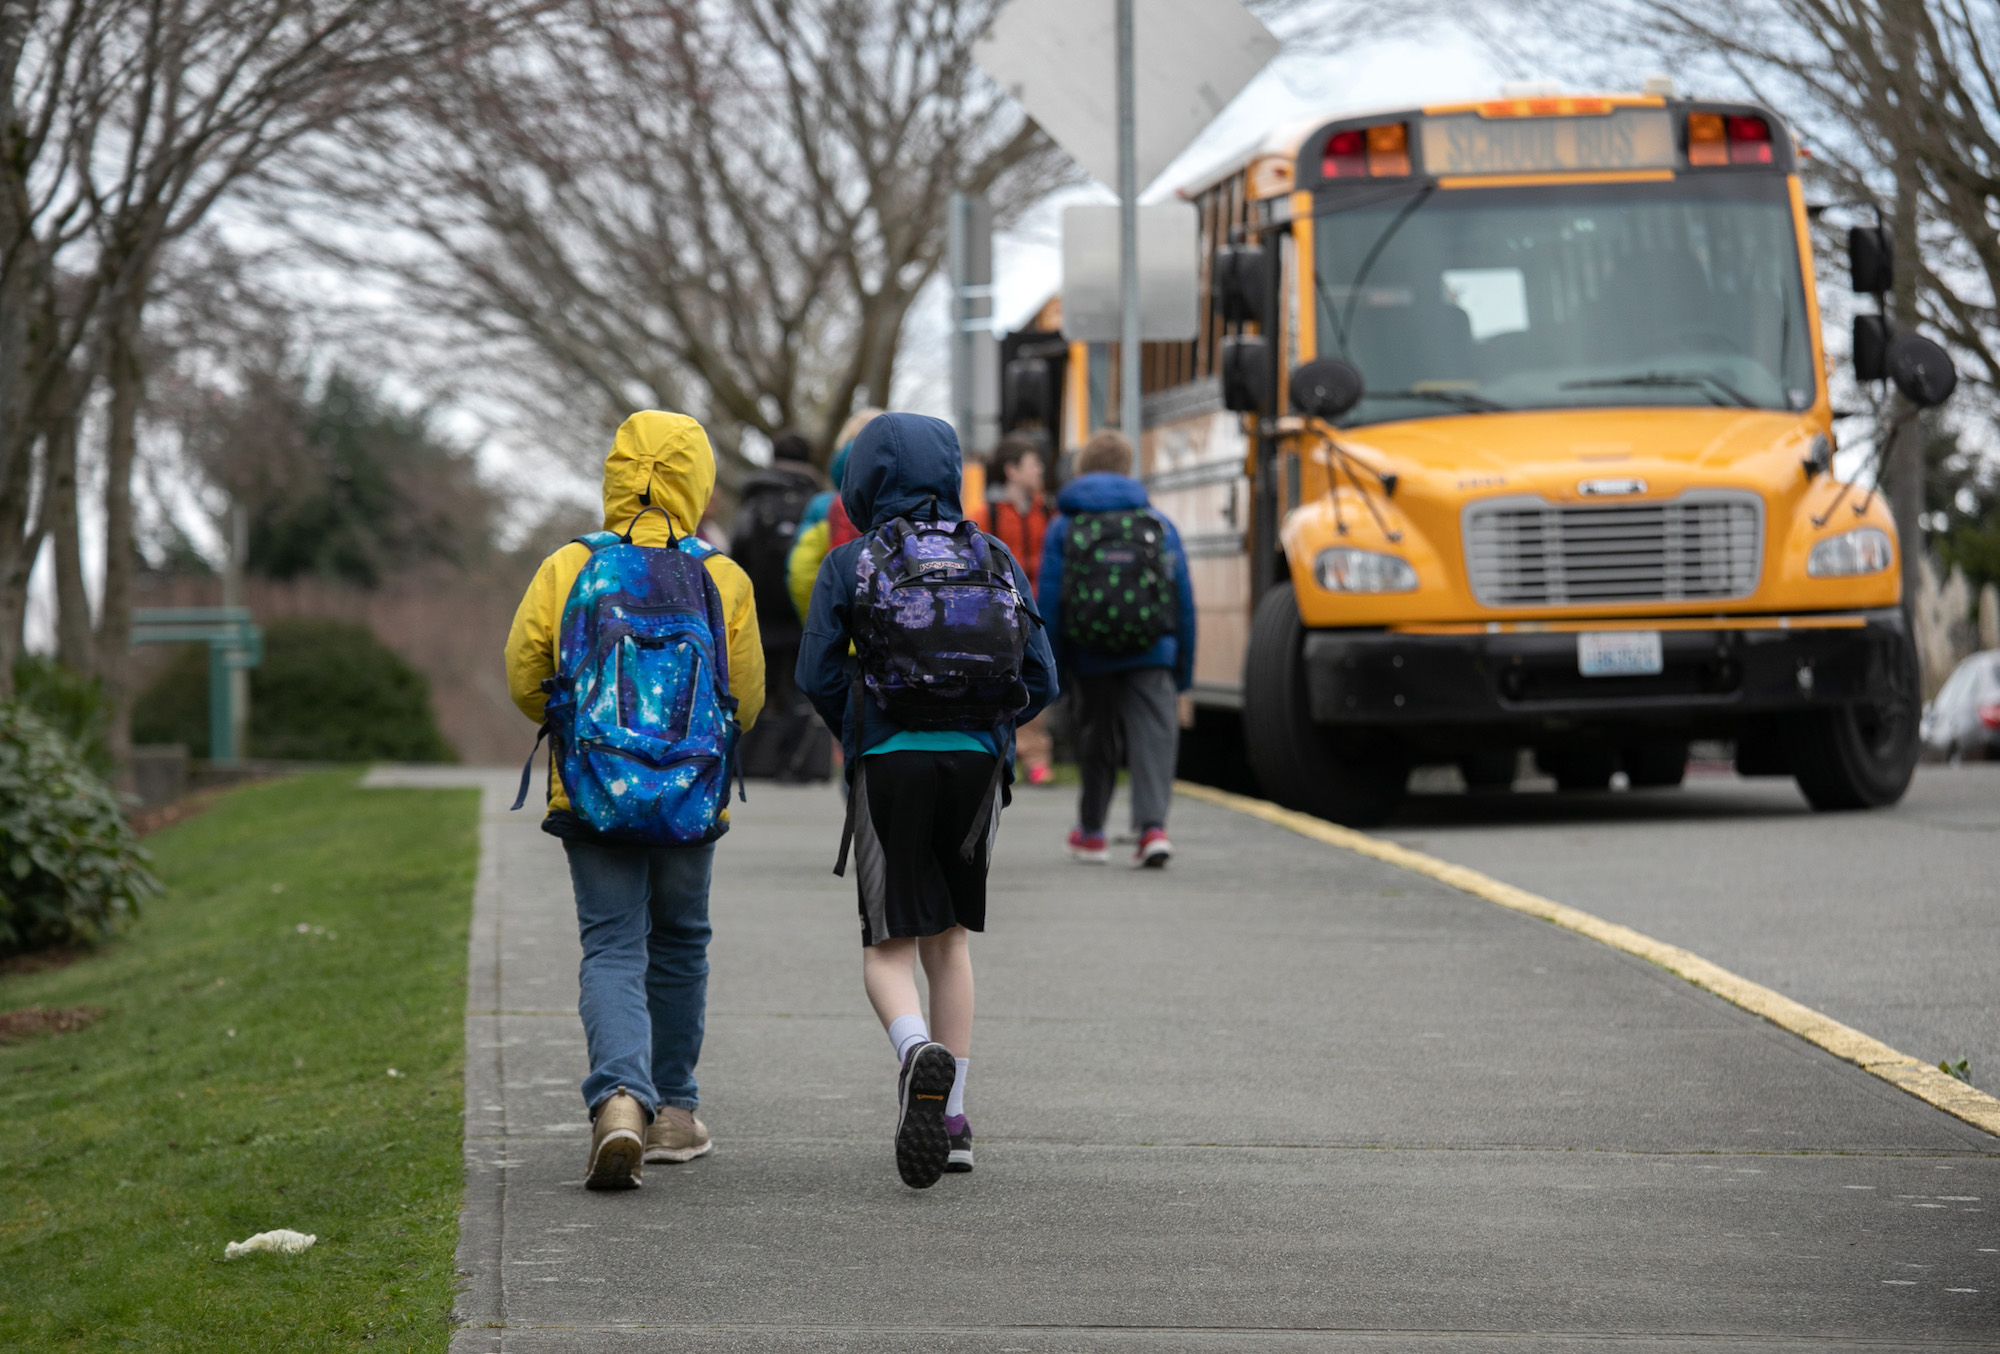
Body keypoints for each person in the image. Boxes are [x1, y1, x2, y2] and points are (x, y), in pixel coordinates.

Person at [505, 410, 765, 1190]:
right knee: (681, 941)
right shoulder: (722, 578)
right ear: (699, 480)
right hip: (690, 799)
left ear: (615, 475)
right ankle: (676, 1112)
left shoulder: (568, 567)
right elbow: (744, 699)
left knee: (613, 944)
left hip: (594, 794)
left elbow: (525, 676)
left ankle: (619, 1100)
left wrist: (582, 731)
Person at [798, 412, 1057, 1189]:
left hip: (888, 760)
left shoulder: (852, 561)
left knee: (887, 949)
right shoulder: (996, 554)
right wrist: (984, 722)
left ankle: (917, 1055)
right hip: (975, 766)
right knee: (950, 941)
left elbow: (816, 675)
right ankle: (954, 1119)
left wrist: (869, 715)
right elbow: (1042, 676)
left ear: (864, 477)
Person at [1038, 429, 1195, 868]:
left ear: (1082, 469)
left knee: (1096, 740)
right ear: (1128, 469)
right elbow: (1182, 600)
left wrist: (1052, 667)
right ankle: (1152, 830)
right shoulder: (1158, 524)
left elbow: (1050, 600)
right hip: (1153, 650)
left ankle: (1092, 833)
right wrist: (1182, 668)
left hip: (1091, 653)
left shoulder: (1065, 524)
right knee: (1154, 740)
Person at [733, 431, 832, 780]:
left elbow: (737, 553)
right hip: (804, 611)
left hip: (759, 611)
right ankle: (801, 763)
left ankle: (753, 762)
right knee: (800, 687)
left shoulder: (753, 500)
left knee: (761, 682)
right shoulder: (818, 502)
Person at [972, 436, 1058, 785]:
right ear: (1012, 470)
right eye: (1031, 463)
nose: (1039, 470)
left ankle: (1036, 756)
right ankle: (1010, 753)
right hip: (998, 616)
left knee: (1036, 679)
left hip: (1037, 614)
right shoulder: (986, 513)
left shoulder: (1048, 512)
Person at [787, 408, 882, 627]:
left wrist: (822, 623)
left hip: (839, 635)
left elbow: (801, 574)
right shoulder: (912, 505)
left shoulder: (822, 506)